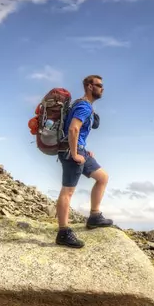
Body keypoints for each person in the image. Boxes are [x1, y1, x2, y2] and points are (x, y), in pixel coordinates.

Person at [55, 74, 113, 248]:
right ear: (89, 86)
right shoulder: (84, 106)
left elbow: (75, 131)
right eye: (99, 85)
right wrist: (74, 153)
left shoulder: (83, 105)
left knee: (102, 177)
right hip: (70, 152)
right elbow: (73, 129)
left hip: (80, 150)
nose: (102, 88)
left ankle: (94, 216)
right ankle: (63, 233)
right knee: (68, 191)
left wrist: (83, 150)